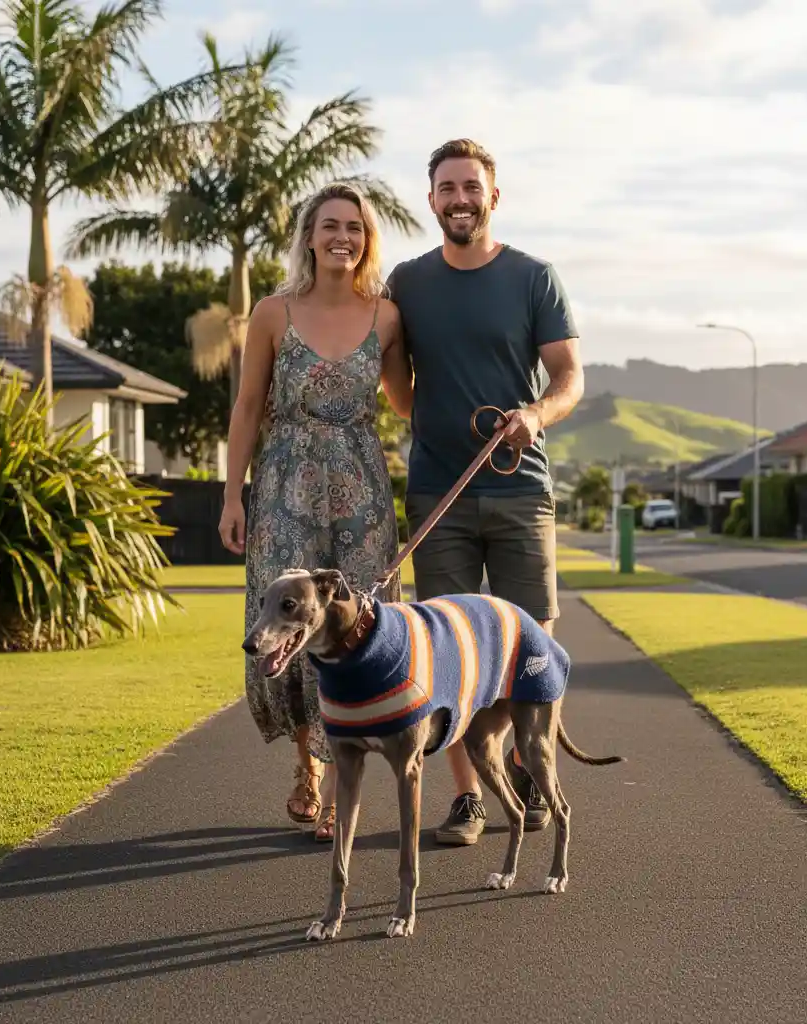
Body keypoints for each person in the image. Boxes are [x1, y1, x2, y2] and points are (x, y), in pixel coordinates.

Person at [385, 138, 585, 846]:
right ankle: (468, 797)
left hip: (521, 489)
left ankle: (532, 775)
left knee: (534, 644)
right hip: (438, 493)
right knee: (447, 648)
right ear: (431, 199)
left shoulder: (534, 277)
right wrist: (433, 423)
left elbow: (569, 379)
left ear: (493, 196)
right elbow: (397, 386)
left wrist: (535, 415)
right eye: (447, 188)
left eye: (471, 187)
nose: (460, 199)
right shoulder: (407, 282)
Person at [219, 181, 411, 842]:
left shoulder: (387, 317)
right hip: (283, 492)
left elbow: (408, 403)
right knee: (284, 621)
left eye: (354, 228)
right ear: (308, 235)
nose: (342, 237)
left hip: (362, 493)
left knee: (356, 627)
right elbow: (248, 406)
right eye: (330, 225)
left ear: (367, 239)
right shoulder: (273, 312)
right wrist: (232, 494)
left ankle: (339, 785)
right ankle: (308, 768)